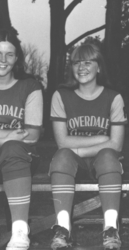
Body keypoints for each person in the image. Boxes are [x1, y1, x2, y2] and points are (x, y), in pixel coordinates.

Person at [49, 42, 127, 250]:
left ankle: (111, 228)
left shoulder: (113, 97)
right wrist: (102, 138)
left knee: (109, 156)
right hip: (73, 164)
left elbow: (116, 144)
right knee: (62, 156)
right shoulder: (61, 96)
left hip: (102, 162)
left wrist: (80, 149)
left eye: (87, 62)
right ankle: (63, 229)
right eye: (76, 63)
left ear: (99, 67)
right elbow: (62, 142)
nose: (81, 67)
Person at [0, 28, 43, 250]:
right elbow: (18, 133)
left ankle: (19, 232)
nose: (3, 60)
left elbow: (33, 134)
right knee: (11, 143)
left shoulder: (30, 87)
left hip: (20, 158)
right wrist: (7, 135)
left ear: (16, 58)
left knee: (13, 149)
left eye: (9, 54)